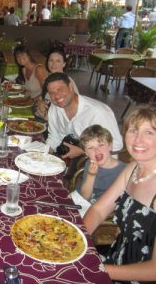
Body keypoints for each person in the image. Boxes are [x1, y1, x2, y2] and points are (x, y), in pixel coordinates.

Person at [84, 104, 156, 283]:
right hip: (116, 258)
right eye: (133, 130)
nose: (138, 140)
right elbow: (99, 210)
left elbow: (154, 270)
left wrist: (98, 269)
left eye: (149, 132)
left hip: (135, 275)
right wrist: (78, 240)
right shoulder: (132, 168)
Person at [44, 72, 123, 159]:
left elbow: (116, 146)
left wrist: (82, 151)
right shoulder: (55, 108)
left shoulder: (98, 113)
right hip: (75, 154)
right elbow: (55, 138)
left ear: (71, 87)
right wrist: (42, 155)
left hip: (103, 161)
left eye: (60, 89)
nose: (57, 96)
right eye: (52, 93)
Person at [78, 125, 125, 203]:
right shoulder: (89, 164)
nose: (97, 150)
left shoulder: (123, 171)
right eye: (90, 148)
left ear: (110, 146)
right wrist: (91, 175)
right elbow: (85, 196)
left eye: (101, 145)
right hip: (83, 201)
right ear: (86, 153)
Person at [36, 46, 78, 119]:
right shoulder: (48, 78)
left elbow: (73, 112)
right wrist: (40, 102)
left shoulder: (68, 82)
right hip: (45, 117)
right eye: (51, 60)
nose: (53, 64)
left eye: (58, 61)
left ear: (64, 64)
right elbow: (44, 97)